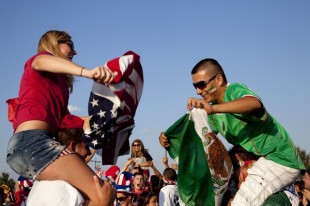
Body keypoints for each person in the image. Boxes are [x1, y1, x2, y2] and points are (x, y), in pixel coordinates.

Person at [159, 58, 305, 205]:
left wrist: (213, 109)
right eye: (195, 86)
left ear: (219, 79)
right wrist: (168, 139)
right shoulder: (213, 114)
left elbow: (255, 103)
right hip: (262, 162)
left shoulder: (234, 90)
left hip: (280, 159)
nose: (198, 91)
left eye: (201, 84)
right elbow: (198, 139)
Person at [6, 30, 115, 205]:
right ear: (54, 44)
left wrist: (93, 122)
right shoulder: (37, 61)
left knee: (98, 197)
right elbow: (42, 61)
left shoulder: (60, 86)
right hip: (34, 143)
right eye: (70, 45)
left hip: (31, 145)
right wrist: (87, 72)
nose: (75, 52)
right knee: (101, 194)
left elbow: (64, 119)